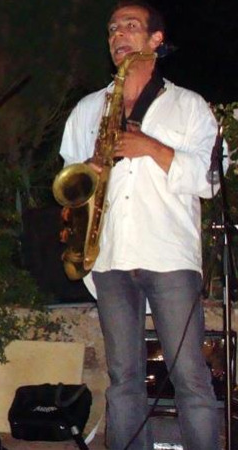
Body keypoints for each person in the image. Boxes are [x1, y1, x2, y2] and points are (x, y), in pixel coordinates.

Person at [58, 1, 223, 449]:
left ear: (156, 40)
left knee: (190, 376)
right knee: (123, 379)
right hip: (109, 257)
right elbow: (70, 183)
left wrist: (151, 147)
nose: (118, 35)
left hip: (168, 255)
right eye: (113, 29)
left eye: (130, 26)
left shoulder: (188, 106)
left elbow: (211, 179)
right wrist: (88, 171)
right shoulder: (88, 109)